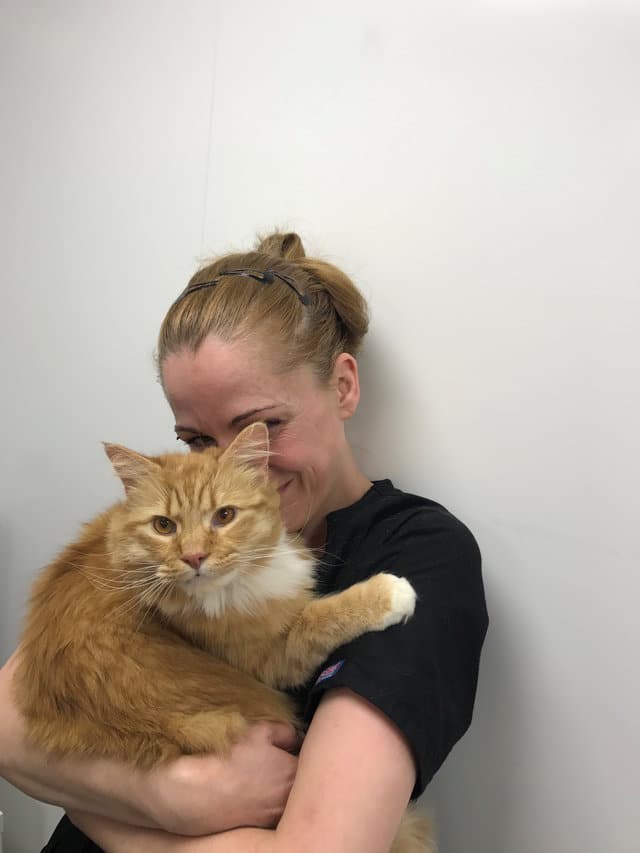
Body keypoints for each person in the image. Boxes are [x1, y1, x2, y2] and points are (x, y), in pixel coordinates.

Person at [0, 231, 488, 852]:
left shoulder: (421, 553)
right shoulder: (165, 535)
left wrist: (83, 791)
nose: (233, 463)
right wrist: (168, 797)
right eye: (194, 439)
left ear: (342, 386)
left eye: (261, 426)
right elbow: (6, 719)